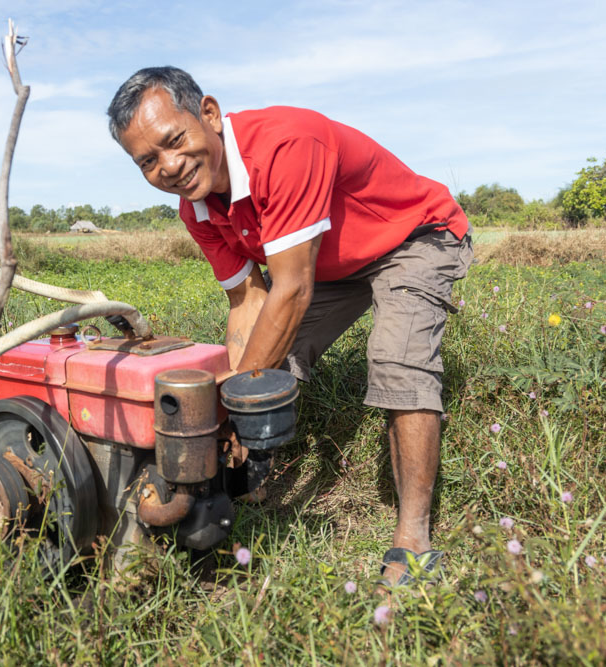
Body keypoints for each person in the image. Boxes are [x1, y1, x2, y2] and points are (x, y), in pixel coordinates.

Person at [107, 66, 472, 586]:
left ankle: (414, 539)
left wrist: (227, 407)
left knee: (397, 360)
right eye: (148, 161)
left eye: (175, 140)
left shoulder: (284, 147)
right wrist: (227, 400)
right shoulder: (197, 208)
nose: (170, 166)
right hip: (330, 264)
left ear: (208, 113)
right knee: (272, 358)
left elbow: (293, 290)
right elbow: (247, 299)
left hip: (413, 236)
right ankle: (252, 478)